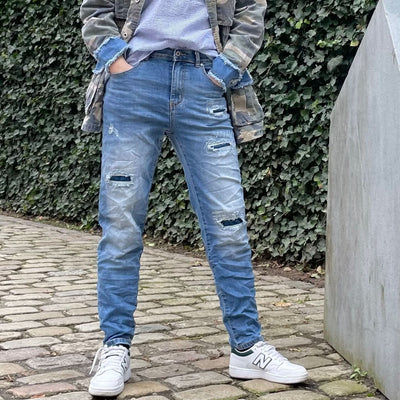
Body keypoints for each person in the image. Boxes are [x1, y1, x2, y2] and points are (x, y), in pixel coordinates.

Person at [80, 0, 308, 397]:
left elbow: (251, 10)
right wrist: (115, 60)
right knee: (121, 225)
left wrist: (225, 70)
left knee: (229, 224)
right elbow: (95, 8)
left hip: (205, 82)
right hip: (134, 82)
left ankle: (246, 347)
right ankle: (115, 346)